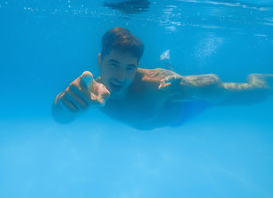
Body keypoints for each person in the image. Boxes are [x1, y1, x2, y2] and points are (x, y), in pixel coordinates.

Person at [52, 27, 272, 130]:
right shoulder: (91, 89)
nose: (120, 76)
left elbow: (215, 83)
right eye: (113, 64)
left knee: (259, 93)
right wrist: (65, 103)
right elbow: (60, 118)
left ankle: (263, 78)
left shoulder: (156, 84)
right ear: (100, 60)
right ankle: (167, 59)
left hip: (184, 109)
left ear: (138, 67)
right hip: (159, 116)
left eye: (130, 68)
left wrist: (195, 89)